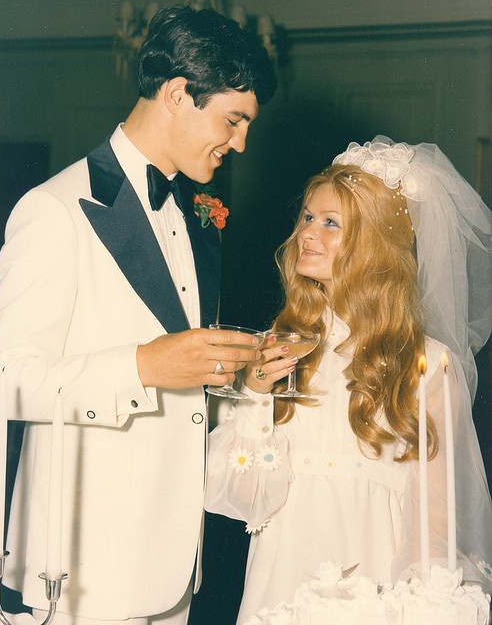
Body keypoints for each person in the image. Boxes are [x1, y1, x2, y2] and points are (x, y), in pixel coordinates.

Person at [0, 4, 276, 625]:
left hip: (175, 570)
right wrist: (144, 365)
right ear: (178, 93)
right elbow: (7, 378)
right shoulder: (55, 211)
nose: (242, 143)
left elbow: (187, 396)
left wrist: (241, 380)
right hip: (78, 572)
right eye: (233, 120)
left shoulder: (199, 217)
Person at [204, 136, 492, 623]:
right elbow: (243, 493)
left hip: (375, 579)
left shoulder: (427, 364)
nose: (307, 234)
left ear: (374, 245)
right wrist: (254, 396)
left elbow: (440, 520)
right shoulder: (282, 345)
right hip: (284, 575)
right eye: (308, 218)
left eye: (331, 223)